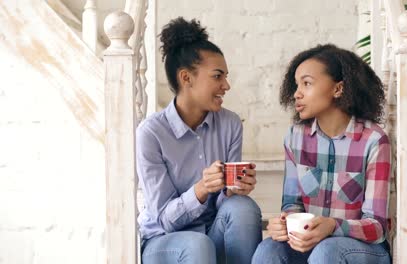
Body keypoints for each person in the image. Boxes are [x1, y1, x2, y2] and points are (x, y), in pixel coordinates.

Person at [136, 17, 262, 264]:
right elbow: (164, 218)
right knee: (197, 244)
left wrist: (234, 189)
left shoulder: (230, 124)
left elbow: (227, 207)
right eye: (217, 76)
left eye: (225, 77)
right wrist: (202, 189)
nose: (226, 85)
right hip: (164, 241)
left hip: (211, 233)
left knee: (243, 208)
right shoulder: (151, 133)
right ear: (186, 78)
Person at [252, 44, 392, 264]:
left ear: (338, 89)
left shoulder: (373, 141)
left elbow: (377, 227)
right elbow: (292, 205)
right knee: (268, 250)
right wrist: (285, 222)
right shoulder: (295, 137)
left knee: (327, 251)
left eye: (306, 83)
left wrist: (332, 226)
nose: (296, 93)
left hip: (363, 250)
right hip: (312, 246)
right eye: (296, 84)